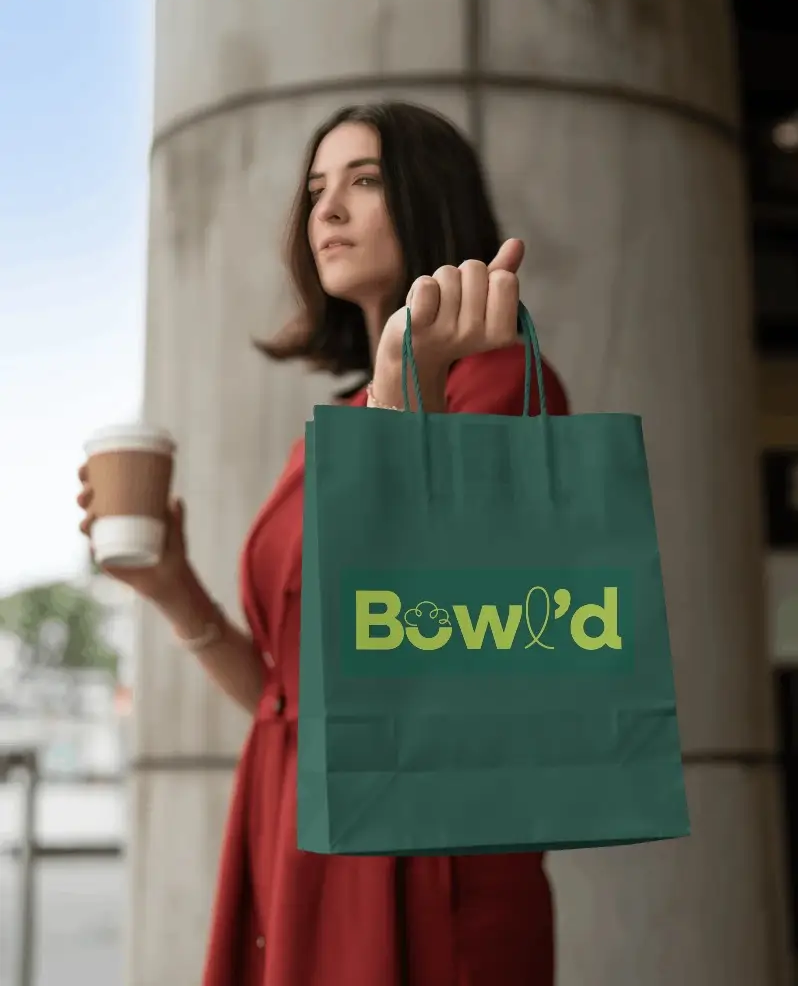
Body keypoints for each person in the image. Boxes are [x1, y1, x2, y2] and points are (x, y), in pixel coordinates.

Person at [77, 101, 570, 986]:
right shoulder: (334, 422)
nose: (326, 212)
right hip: (294, 831)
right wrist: (172, 586)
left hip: (422, 852)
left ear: (430, 199)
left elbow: (435, 640)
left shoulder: (499, 382)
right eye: (315, 190)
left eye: (365, 181)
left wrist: (408, 389)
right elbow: (290, 700)